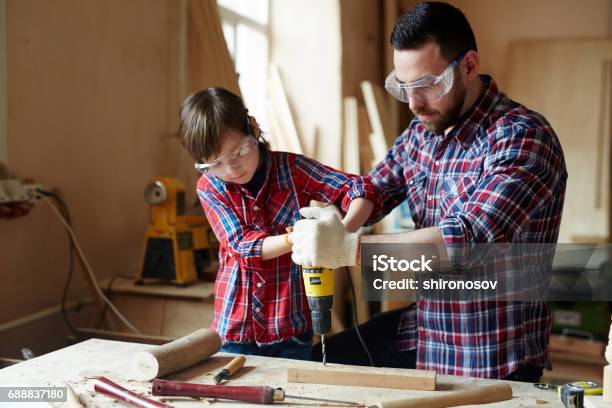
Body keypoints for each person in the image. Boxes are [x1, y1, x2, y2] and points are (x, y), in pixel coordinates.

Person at [290, 1, 567, 381]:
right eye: (404, 88)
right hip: (426, 331)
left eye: (427, 85)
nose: (414, 103)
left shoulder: (522, 137)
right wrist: (337, 221)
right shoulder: (423, 133)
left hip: (489, 355)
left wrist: (344, 249)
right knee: (315, 366)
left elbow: (464, 243)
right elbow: (375, 187)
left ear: (469, 66)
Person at [179, 87, 381, 360]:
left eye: (238, 153)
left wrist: (339, 232)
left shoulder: (293, 170)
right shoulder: (210, 186)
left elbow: (360, 188)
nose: (231, 169)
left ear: (252, 128)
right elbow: (242, 246)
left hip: (291, 325)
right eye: (216, 163)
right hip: (236, 327)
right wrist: (297, 238)